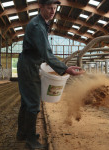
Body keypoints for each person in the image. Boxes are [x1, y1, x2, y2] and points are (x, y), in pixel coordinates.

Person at [16, 0, 84, 149]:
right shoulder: (37, 26)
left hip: (30, 63)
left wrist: (60, 66)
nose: (53, 11)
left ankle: (22, 133)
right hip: (29, 66)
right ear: (40, 6)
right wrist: (66, 69)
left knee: (26, 102)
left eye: (55, 8)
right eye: (49, 8)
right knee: (33, 103)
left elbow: (44, 53)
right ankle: (31, 140)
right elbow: (47, 54)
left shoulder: (42, 23)